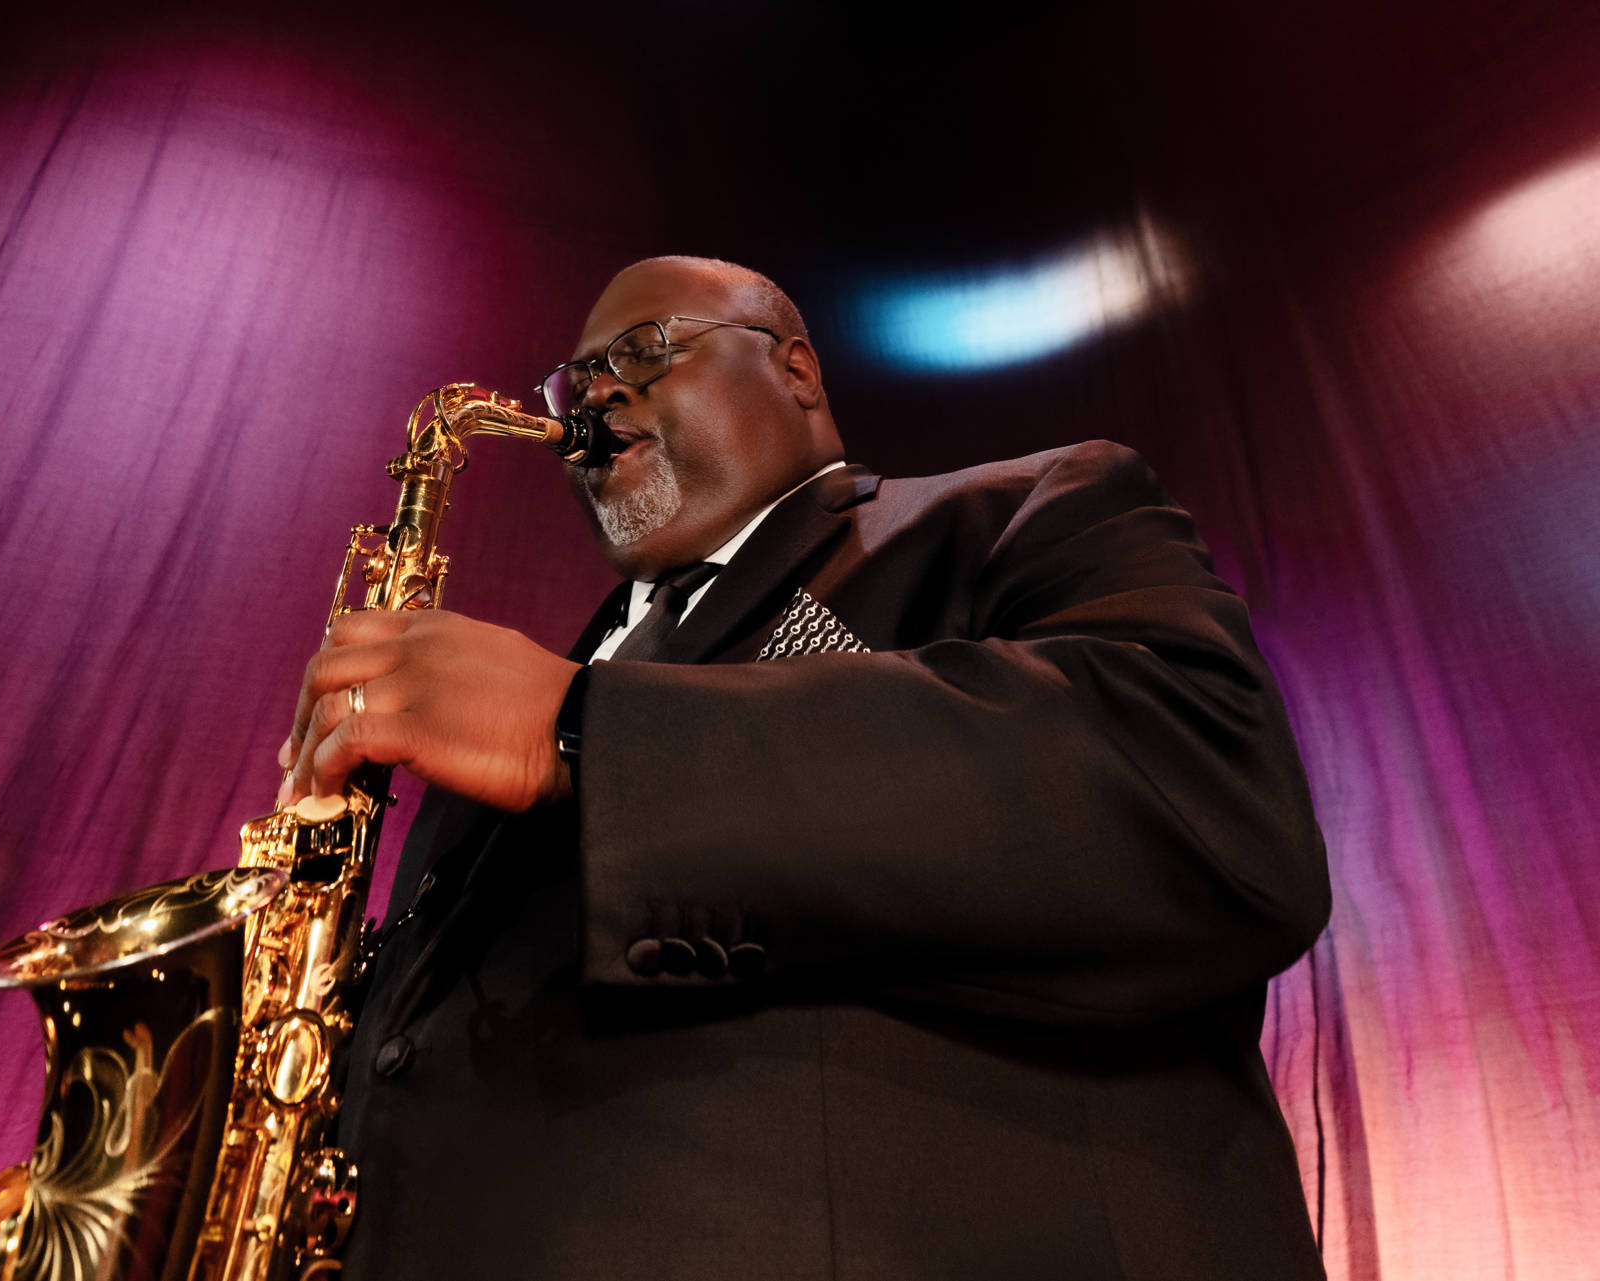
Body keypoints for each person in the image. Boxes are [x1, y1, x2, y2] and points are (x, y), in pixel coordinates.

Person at [277, 256, 1330, 1280]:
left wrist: (583, 727)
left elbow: (1210, 803)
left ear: (796, 370)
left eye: (639, 352)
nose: (591, 395)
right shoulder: (516, 685)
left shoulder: (1015, 510)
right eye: (572, 378)